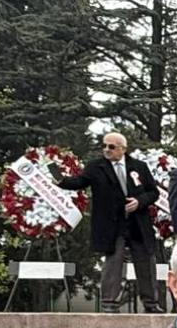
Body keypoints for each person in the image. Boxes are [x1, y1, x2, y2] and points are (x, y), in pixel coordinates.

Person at [54, 131, 162, 314]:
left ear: (123, 148)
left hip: (138, 224)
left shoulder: (139, 166)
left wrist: (139, 201)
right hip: (113, 225)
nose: (106, 150)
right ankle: (110, 303)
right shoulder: (96, 167)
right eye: (104, 145)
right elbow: (80, 182)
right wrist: (60, 180)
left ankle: (151, 303)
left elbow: (153, 192)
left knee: (146, 264)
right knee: (113, 263)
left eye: (111, 147)